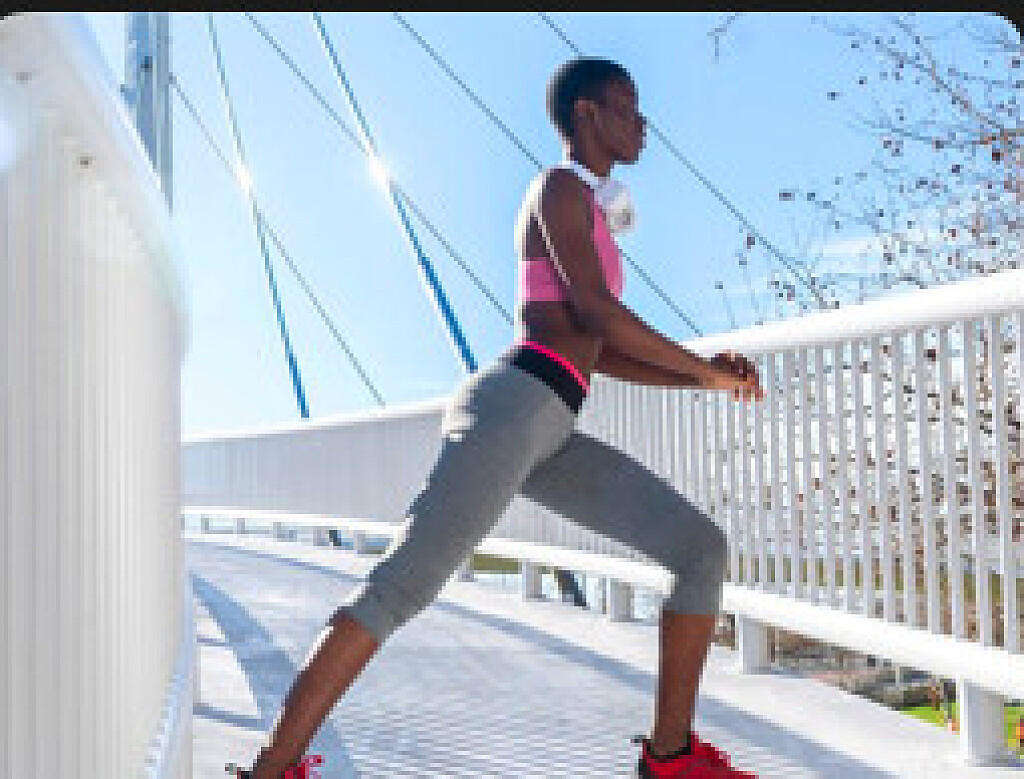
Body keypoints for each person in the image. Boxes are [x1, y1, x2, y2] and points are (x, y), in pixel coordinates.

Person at [231, 56, 765, 779]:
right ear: (585, 113)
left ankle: (669, 759)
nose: (643, 123)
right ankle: (272, 768)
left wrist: (704, 380)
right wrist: (702, 367)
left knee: (700, 549)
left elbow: (601, 348)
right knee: (401, 586)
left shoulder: (590, 210)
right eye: (627, 105)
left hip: (554, 426)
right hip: (513, 408)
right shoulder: (559, 189)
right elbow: (594, 310)